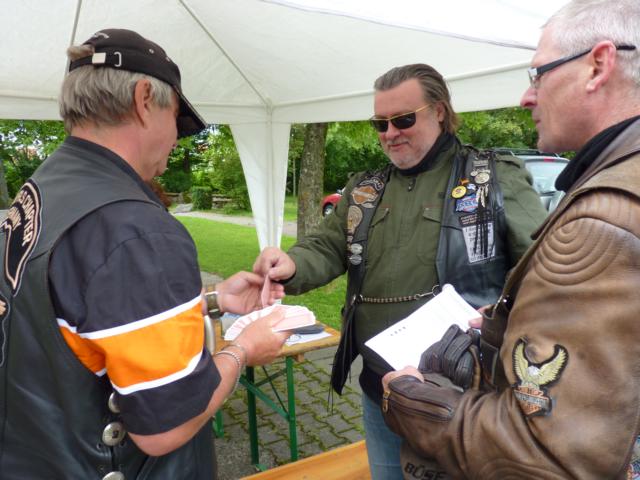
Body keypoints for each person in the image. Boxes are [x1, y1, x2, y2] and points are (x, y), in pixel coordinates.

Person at [0, 28, 290, 479]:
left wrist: (213, 301)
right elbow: (166, 426)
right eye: (176, 118)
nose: (176, 139)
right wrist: (243, 350)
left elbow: (79, 317)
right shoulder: (133, 228)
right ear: (143, 99)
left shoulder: (44, 187)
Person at [381, 0, 640, 478]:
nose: (526, 96)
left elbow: (545, 452)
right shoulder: (618, 187)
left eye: (538, 74)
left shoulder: (600, 219)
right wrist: (515, 317)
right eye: (381, 124)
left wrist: (413, 400)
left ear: (599, 65)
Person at [253, 63, 547, 478]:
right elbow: (328, 245)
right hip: (381, 390)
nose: (390, 133)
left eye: (404, 119)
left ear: (439, 111)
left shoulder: (492, 176)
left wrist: (506, 316)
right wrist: (292, 264)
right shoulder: (365, 189)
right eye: (380, 123)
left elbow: (543, 267)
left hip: (461, 395)